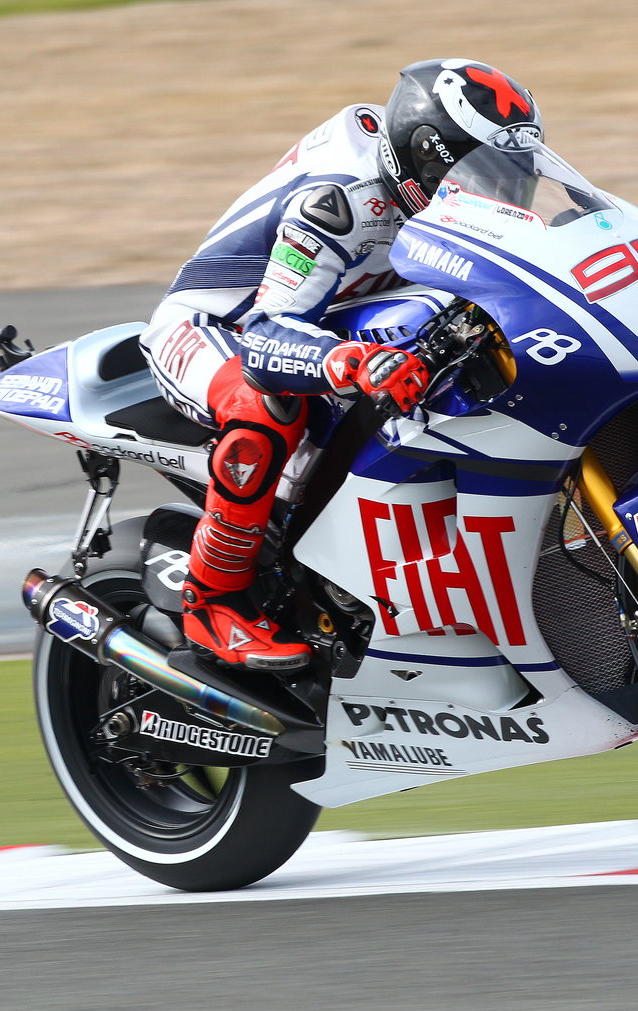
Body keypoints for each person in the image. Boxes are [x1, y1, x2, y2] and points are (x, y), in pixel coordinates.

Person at [139, 59, 543, 671]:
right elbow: (266, 336)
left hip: (327, 319)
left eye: (512, 176)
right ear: (422, 160)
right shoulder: (342, 202)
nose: (500, 196)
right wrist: (350, 361)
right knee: (265, 407)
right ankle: (212, 601)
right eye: (479, 176)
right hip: (218, 327)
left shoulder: (449, 201)